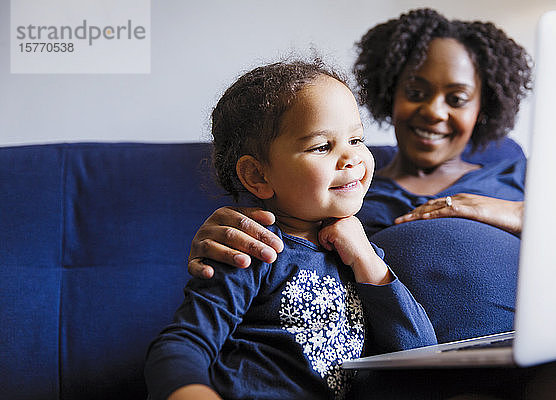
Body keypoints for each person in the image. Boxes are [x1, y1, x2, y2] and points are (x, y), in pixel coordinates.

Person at [186, 8, 531, 344]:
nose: (433, 111)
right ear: (389, 92)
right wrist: (227, 235)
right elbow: (276, 244)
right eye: (415, 93)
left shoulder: (522, 175)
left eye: (456, 98)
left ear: (483, 108)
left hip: (530, 344)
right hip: (406, 369)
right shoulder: (336, 190)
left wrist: (522, 214)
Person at [145, 60, 436, 400]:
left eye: (356, 139)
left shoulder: (358, 257)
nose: (351, 158)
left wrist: (367, 257)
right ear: (257, 176)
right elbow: (181, 344)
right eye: (322, 147)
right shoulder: (251, 249)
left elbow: (420, 352)